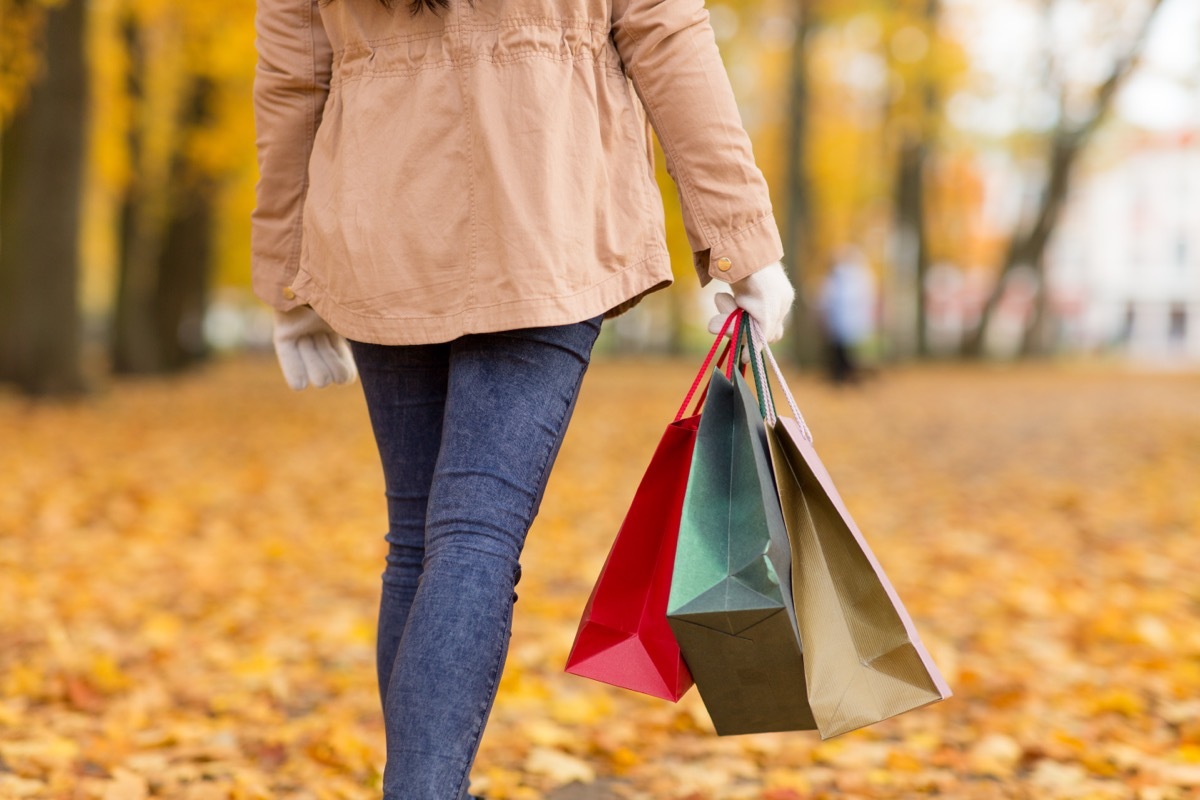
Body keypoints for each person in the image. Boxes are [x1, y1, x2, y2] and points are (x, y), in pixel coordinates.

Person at [251, 0, 795, 797]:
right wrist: (744, 241)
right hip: (545, 213)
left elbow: (291, 81)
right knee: (472, 537)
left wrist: (287, 277)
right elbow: (665, 31)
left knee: (419, 542)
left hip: (379, 219)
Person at [818, 247, 876, 384]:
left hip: (841, 320)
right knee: (843, 350)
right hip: (846, 321)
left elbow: (827, 298)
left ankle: (842, 375)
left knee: (841, 350)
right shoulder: (857, 277)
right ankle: (844, 374)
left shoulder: (838, 277)